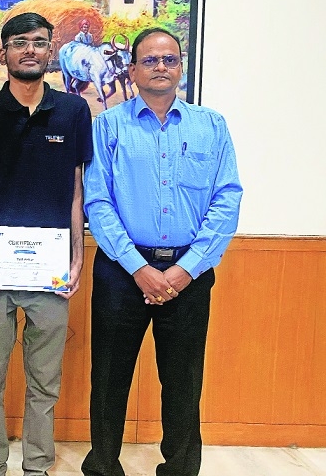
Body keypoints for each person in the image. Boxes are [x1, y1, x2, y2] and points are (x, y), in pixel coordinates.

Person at [81, 28, 243, 476]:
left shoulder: (211, 126)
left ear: (180, 68)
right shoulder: (108, 126)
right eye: (150, 60)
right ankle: (103, 467)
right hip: (122, 270)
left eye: (169, 59)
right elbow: (98, 201)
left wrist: (187, 268)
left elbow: (227, 198)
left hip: (189, 272)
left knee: (183, 380)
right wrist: (139, 268)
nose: (160, 67)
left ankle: (180, 469)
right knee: (109, 378)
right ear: (132, 69)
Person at [0, 12, 93, 476]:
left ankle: (37, 466)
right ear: (4, 53)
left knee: (45, 382)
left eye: (39, 42)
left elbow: (77, 190)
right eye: (20, 42)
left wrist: (78, 257)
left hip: (51, 269)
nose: (30, 50)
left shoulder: (74, 112)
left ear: (50, 50)